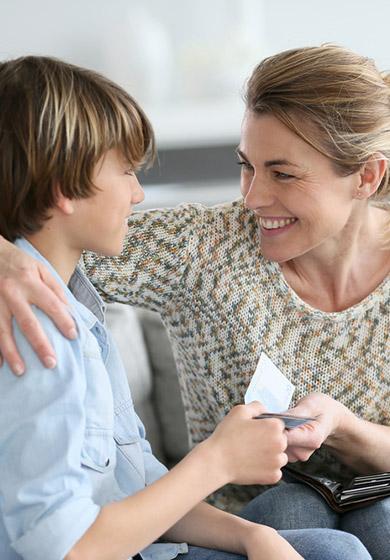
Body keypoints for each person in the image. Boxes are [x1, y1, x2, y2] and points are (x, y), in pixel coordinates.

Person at [0, 43, 389, 557]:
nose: (251, 197)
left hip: (371, 492)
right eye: (245, 165)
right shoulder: (199, 249)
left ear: (367, 176)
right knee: (299, 513)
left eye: (283, 173)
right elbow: (39, 215)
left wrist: (341, 427)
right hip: (240, 510)